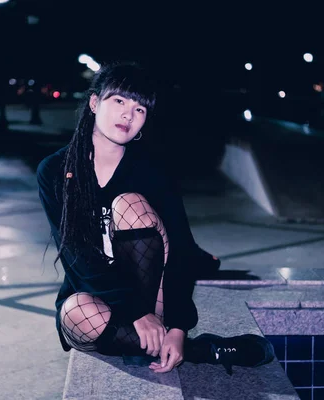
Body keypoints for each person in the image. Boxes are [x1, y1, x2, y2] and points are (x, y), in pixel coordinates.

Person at [37, 61, 274, 374]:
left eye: (140, 109)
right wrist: (136, 315)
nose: (128, 115)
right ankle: (203, 350)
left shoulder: (151, 172)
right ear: (94, 103)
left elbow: (180, 249)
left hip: (154, 296)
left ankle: (151, 338)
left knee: (129, 204)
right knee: (74, 312)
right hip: (101, 296)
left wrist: (176, 327)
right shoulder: (55, 171)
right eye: (119, 101)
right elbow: (77, 258)